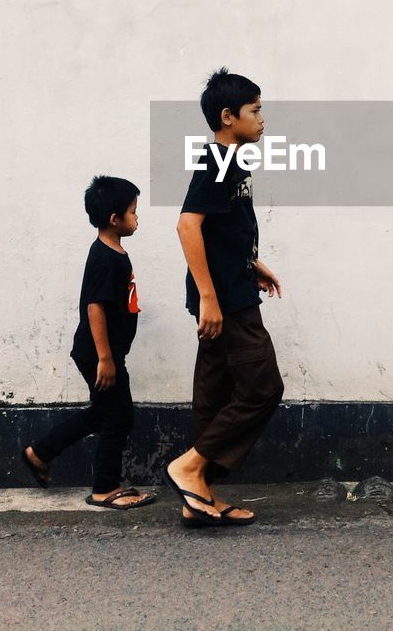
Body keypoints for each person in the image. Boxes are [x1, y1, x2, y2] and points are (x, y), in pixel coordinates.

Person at [165, 68, 286, 528]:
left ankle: (197, 498)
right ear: (227, 116)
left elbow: (219, 228)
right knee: (262, 386)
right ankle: (190, 468)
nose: (262, 119)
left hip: (231, 285)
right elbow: (187, 225)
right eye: (255, 111)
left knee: (213, 393)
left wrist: (250, 261)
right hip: (227, 301)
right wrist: (211, 298)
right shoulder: (219, 159)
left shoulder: (231, 160)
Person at [20, 176, 155, 510]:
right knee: (119, 418)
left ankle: (41, 451)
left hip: (102, 352)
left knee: (103, 414)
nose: (138, 218)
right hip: (100, 354)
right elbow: (95, 308)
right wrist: (105, 359)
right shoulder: (106, 258)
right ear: (115, 219)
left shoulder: (113, 253)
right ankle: (104, 488)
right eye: (133, 212)